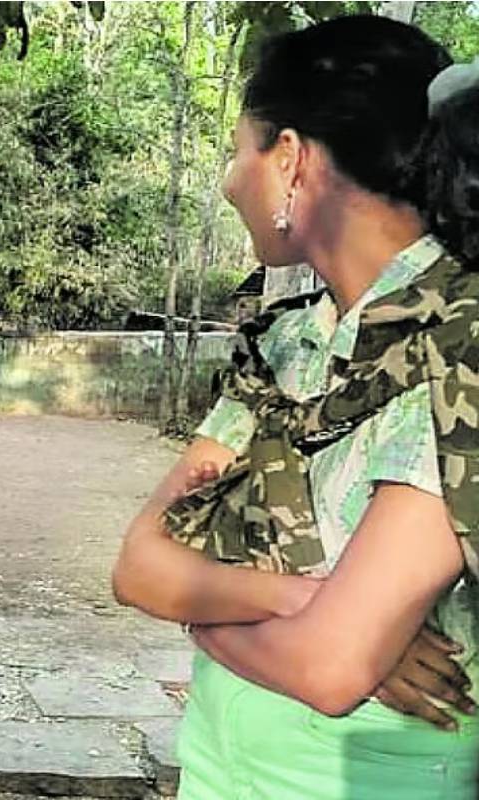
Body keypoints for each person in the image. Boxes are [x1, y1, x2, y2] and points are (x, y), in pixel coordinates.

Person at [112, 15, 479, 799]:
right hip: (220, 765)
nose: (227, 179)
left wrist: (206, 610)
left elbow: (330, 667)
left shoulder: (459, 348)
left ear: (290, 158)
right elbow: (139, 565)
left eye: (237, 149)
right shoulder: (286, 347)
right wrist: (294, 599)